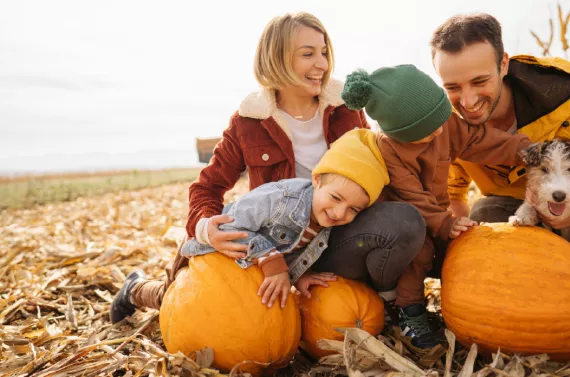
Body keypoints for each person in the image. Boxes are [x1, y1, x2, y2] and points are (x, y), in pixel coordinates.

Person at [110, 12, 425, 324]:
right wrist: (207, 227)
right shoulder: (250, 122)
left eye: (324, 52)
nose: (323, 65)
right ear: (277, 58)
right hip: (273, 247)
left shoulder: (345, 110)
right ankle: (138, 290)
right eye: (308, 54)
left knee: (401, 222)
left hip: (335, 237)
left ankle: (392, 308)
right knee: (201, 302)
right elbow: (207, 187)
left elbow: (377, 171)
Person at [430, 13, 570, 278]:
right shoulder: (448, 125)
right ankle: (565, 286)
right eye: (452, 87)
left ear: (503, 65)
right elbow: (452, 194)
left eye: (479, 82)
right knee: (487, 216)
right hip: (533, 210)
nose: (467, 101)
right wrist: (465, 245)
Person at [341, 64, 531, 348]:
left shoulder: (443, 124)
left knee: (460, 251)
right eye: (427, 132)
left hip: (436, 212)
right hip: (402, 220)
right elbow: (412, 196)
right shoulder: (388, 149)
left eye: (441, 120)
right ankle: (409, 310)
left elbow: (481, 140)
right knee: (420, 252)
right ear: (399, 134)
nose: (439, 131)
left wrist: (526, 149)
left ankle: (474, 305)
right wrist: (445, 223)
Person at [181, 129, 388, 309]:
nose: (340, 213)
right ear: (317, 180)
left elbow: (289, 248)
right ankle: (150, 291)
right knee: (179, 300)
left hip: (249, 276)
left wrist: (298, 276)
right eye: (335, 198)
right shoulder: (280, 198)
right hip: (212, 258)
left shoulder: (326, 217)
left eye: (353, 209)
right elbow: (227, 228)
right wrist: (272, 261)